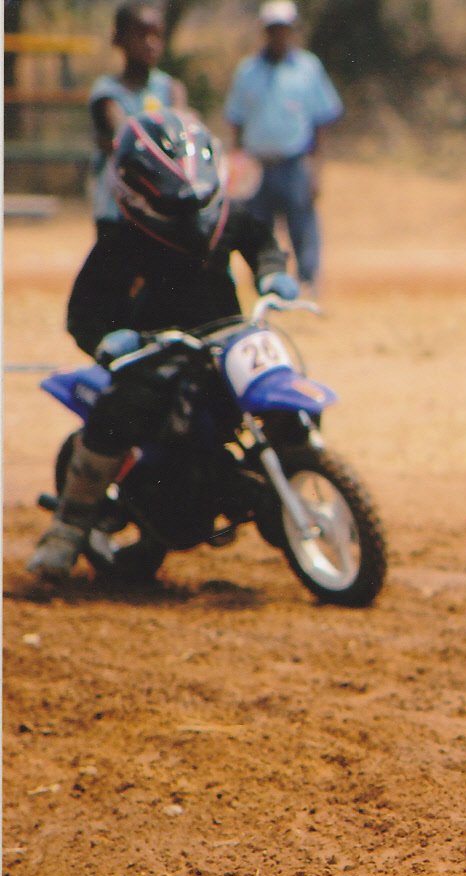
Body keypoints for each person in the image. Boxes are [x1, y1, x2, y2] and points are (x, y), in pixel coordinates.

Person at [27, 110, 298, 582]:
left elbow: (260, 241)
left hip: (230, 333)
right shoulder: (125, 238)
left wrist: (271, 271)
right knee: (121, 411)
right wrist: (108, 340)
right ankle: (67, 529)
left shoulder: (227, 215)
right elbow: (86, 309)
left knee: (274, 387)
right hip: (159, 348)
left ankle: (283, 478)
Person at [223, 0, 341, 292]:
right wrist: (237, 167)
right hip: (257, 165)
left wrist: (316, 168)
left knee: (302, 226)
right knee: (257, 229)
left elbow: (322, 120)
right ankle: (264, 283)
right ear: (265, 32)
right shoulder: (247, 71)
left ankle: (308, 282)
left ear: (293, 31)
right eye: (273, 30)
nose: (279, 36)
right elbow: (236, 120)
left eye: (284, 29)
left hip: (294, 163)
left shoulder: (308, 69)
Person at [88, 3, 187, 232]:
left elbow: (182, 136)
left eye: (157, 35)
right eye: (142, 34)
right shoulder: (107, 93)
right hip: (117, 211)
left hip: (161, 210)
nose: (150, 42)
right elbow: (125, 140)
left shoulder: (172, 88)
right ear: (119, 39)